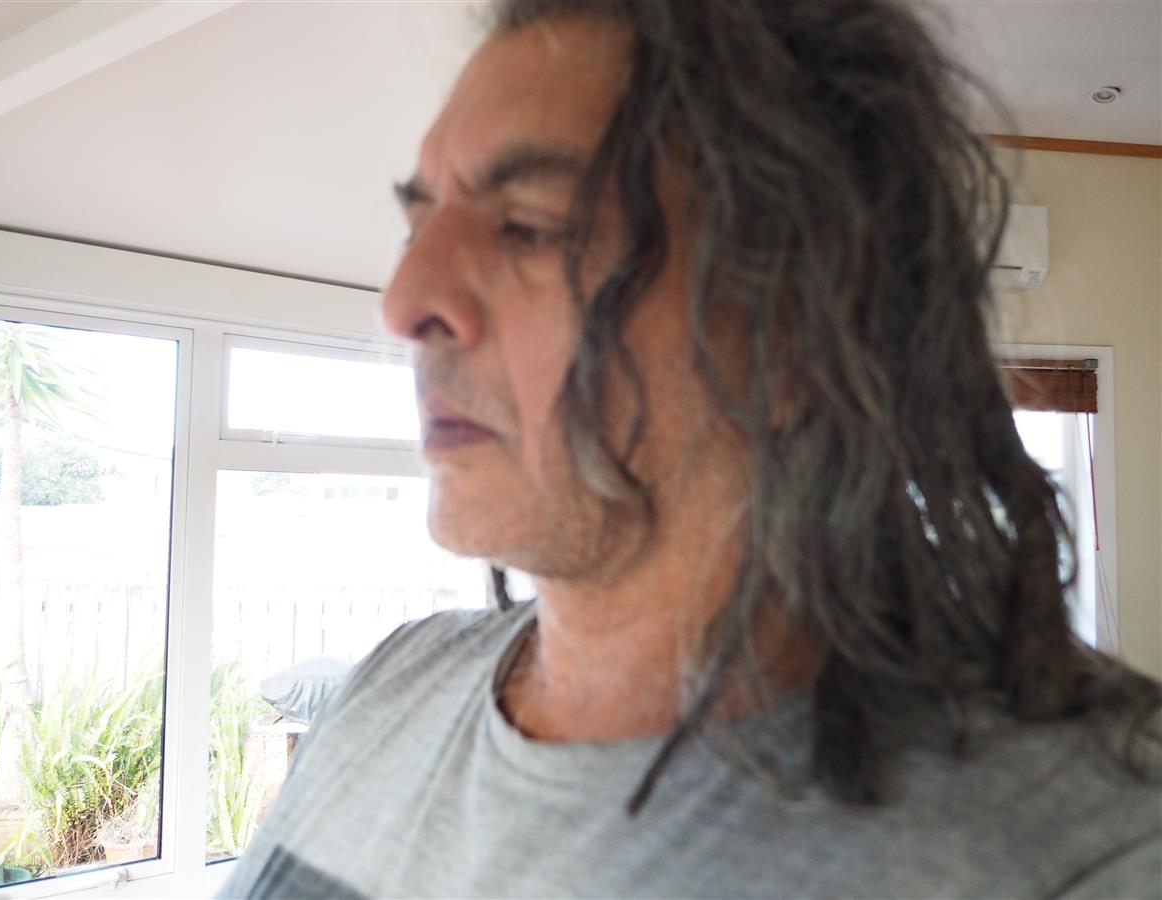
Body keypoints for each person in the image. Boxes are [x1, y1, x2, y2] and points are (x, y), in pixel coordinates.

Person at [221, 1, 1161, 897]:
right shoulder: (388, 689)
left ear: (805, 327)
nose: (403, 302)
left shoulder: (1093, 850)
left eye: (530, 228)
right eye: (418, 224)